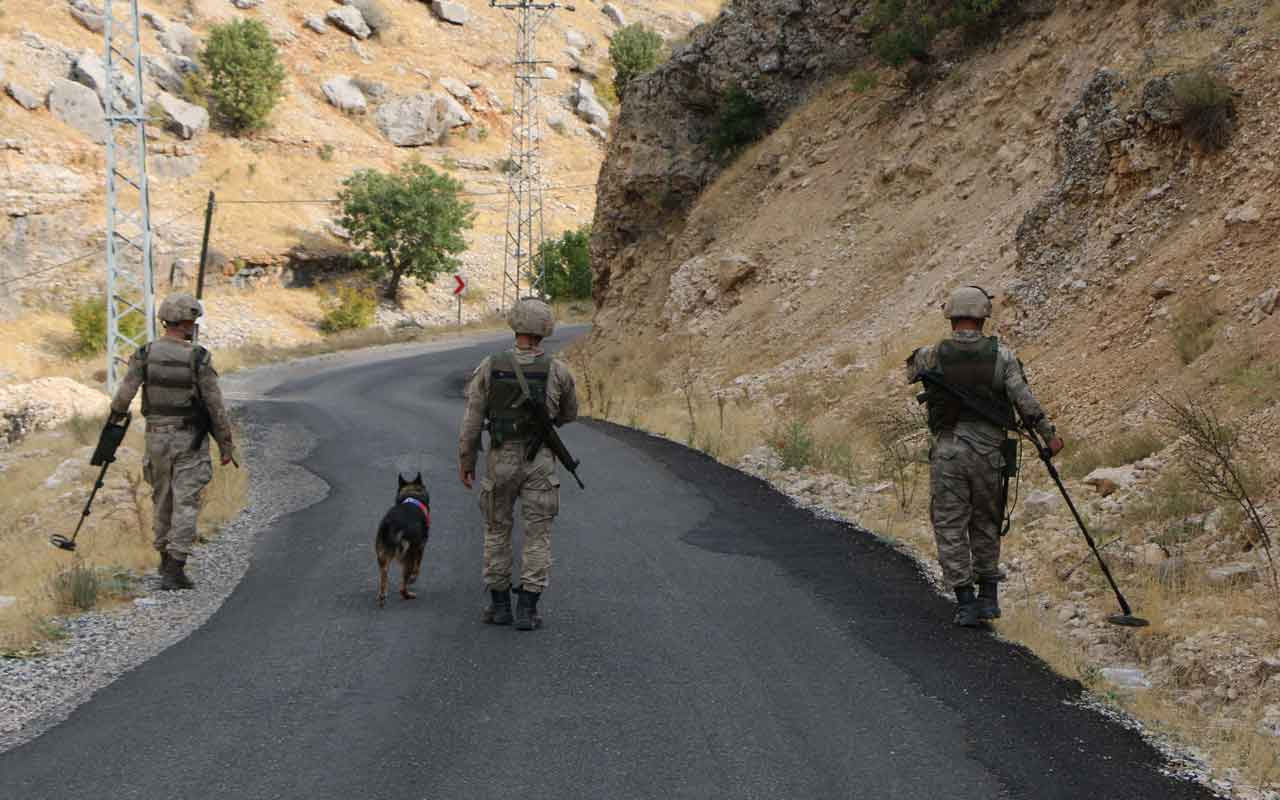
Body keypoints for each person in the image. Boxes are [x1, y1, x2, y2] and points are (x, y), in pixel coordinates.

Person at [906, 286, 1063, 627]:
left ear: (951, 316)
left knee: (949, 524)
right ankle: (988, 596)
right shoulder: (1002, 357)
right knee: (986, 521)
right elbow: (1026, 403)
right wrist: (1049, 437)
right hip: (989, 453)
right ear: (982, 316)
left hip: (948, 453)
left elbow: (910, 372)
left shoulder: (932, 355)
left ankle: (965, 602)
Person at [458, 297, 578, 631]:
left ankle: (499, 607)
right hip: (540, 460)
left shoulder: (490, 365)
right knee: (537, 534)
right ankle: (527, 608)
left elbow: (471, 421)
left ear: (515, 325)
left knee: (497, 529)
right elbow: (569, 413)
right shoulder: (558, 369)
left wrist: (467, 460)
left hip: (500, 459)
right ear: (545, 330)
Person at [109, 293, 237, 590]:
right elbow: (215, 405)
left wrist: (112, 425)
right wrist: (226, 445)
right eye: (193, 320)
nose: (194, 326)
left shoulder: (144, 354)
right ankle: (175, 568)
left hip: (156, 438)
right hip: (188, 439)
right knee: (186, 502)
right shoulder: (198, 357)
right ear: (186, 323)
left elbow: (123, 397)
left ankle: (165, 559)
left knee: (161, 499)